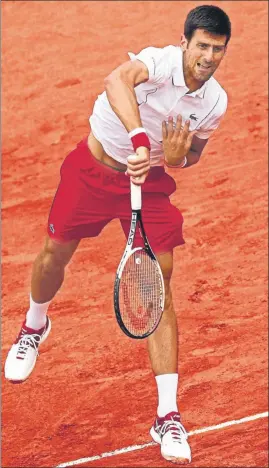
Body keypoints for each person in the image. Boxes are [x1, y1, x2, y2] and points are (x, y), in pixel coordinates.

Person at [5, 4, 231, 464]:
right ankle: (34, 325)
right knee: (55, 254)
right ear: (185, 42)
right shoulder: (159, 62)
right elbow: (115, 82)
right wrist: (141, 141)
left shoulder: (214, 102)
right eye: (202, 45)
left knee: (158, 285)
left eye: (218, 49)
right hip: (93, 169)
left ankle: (167, 415)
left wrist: (175, 157)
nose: (209, 56)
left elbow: (192, 157)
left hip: (147, 188)